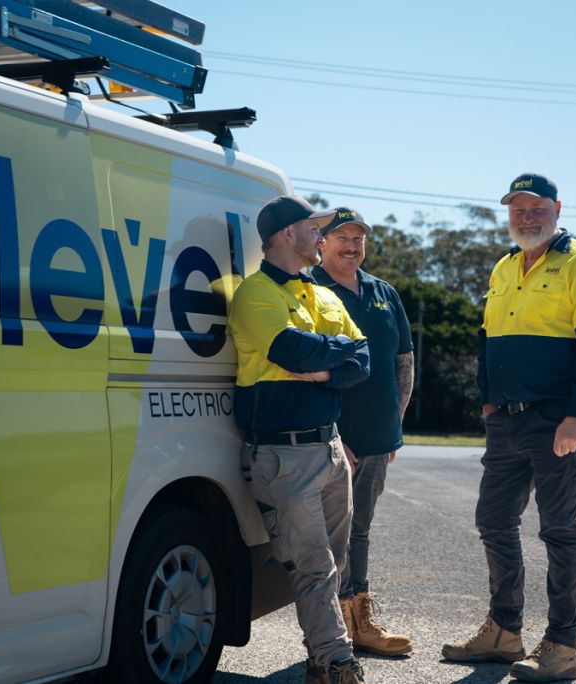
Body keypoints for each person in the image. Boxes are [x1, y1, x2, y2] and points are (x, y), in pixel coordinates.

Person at [441, 173, 576, 682]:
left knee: (559, 532)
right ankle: (504, 631)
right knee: (493, 520)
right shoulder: (504, 266)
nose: (527, 217)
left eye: (536, 207)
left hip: (558, 418)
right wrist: (488, 404)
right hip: (508, 421)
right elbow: (488, 339)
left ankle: (562, 648)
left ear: (557, 209)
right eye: (518, 209)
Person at [228, 195, 371, 684]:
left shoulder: (324, 294)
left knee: (335, 563)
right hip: (282, 453)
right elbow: (290, 350)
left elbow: (364, 359)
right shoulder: (255, 294)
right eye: (315, 229)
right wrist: (339, 355)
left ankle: (320, 660)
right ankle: (335, 663)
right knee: (314, 568)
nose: (322, 237)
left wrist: (327, 372)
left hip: (329, 449)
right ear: (289, 233)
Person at [311, 208, 414, 657]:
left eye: (358, 239)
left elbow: (403, 362)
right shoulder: (309, 290)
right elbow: (302, 368)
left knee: (362, 530)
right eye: (342, 238)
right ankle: (333, 630)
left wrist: (395, 423)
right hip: (332, 441)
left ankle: (361, 623)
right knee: (331, 538)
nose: (352, 246)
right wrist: (334, 436)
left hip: (377, 439)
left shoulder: (383, 293)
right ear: (321, 243)